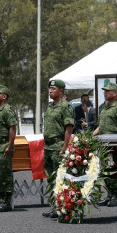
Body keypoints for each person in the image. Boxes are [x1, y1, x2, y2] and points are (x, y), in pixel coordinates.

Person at [42, 79, 74, 219]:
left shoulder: (65, 106)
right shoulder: (50, 106)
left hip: (57, 146)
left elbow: (69, 128)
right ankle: (54, 206)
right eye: (49, 88)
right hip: (48, 146)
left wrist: (65, 147)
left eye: (53, 88)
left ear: (61, 91)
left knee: (59, 178)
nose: (50, 91)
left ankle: (61, 206)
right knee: (50, 178)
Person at [93, 83, 117, 207]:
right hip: (103, 143)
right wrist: (91, 136)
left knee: (113, 169)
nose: (105, 93)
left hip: (114, 143)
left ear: (115, 93)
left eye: (108, 91)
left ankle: (116, 196)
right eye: (105, 91)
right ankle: (109, 195)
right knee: (104, 170)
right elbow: (100, 127)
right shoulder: (104, 107)